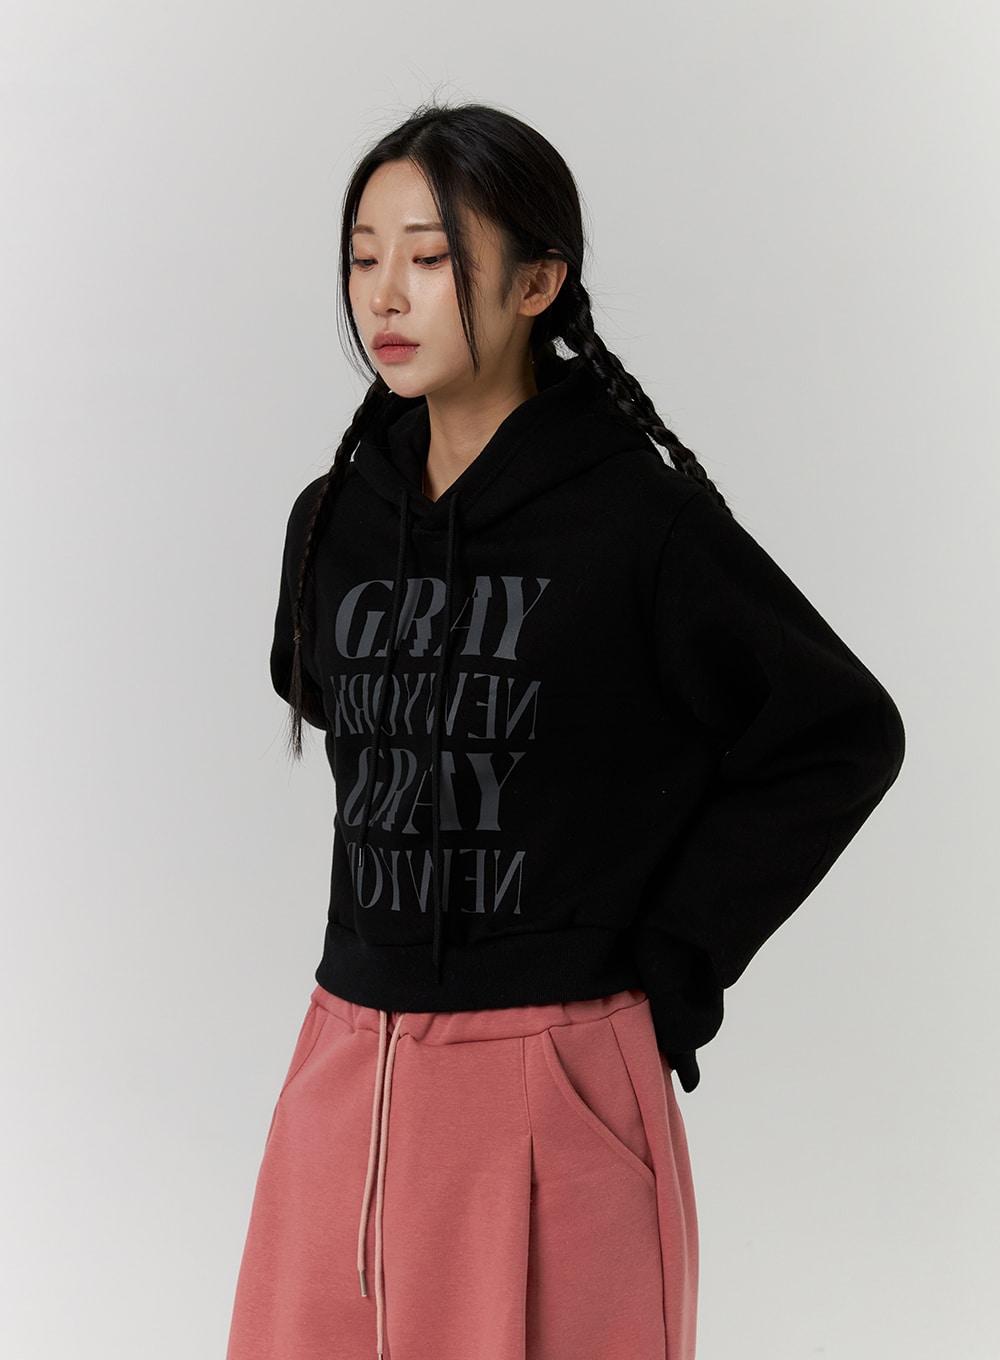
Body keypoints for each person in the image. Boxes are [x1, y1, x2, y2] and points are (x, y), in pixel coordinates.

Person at [226, 101, 905, 1360]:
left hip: (556, 1071)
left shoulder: (635, 521)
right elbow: (329, 697)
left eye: (430, 258)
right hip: (344, 1062)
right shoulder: (333, 521)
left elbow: (838, 733)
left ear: (537, 282)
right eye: (363, 256)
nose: (385, 294)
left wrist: (670, 960)